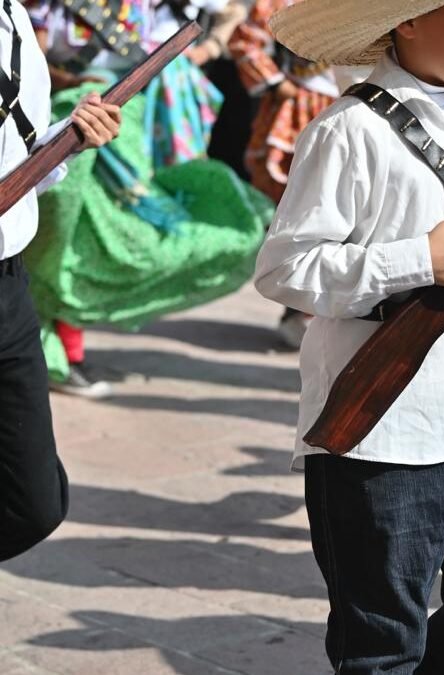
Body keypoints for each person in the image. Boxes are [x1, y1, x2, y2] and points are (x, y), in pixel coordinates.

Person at [255, 0, 444, 671]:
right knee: (381, 641)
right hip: (378, 429)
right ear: (409, 21)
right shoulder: (347, 129)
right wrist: (418, 260)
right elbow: (284, 268)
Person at [25, 0, 272, 395]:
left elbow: (230, 13)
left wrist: (197, 57)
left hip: (128, 133)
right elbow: (30, 63)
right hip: (63, 130)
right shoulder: (43, 7)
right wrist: (77, 92)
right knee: (58, 240)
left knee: (114, 242)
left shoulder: (153, 6)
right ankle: (56, 355)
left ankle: (63, 351)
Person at [0, 0, 120, 560]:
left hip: (7, 282)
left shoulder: (17, 21)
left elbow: (17, 157)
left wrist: (69, 136)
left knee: (33, 504)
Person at [229, 0, 341, 349]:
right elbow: (244, 39)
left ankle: (319, 311)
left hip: (353, 105)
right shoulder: (279, 3)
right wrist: (277, 82)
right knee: (300, 206)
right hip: (300, 111)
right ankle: (300, 309)